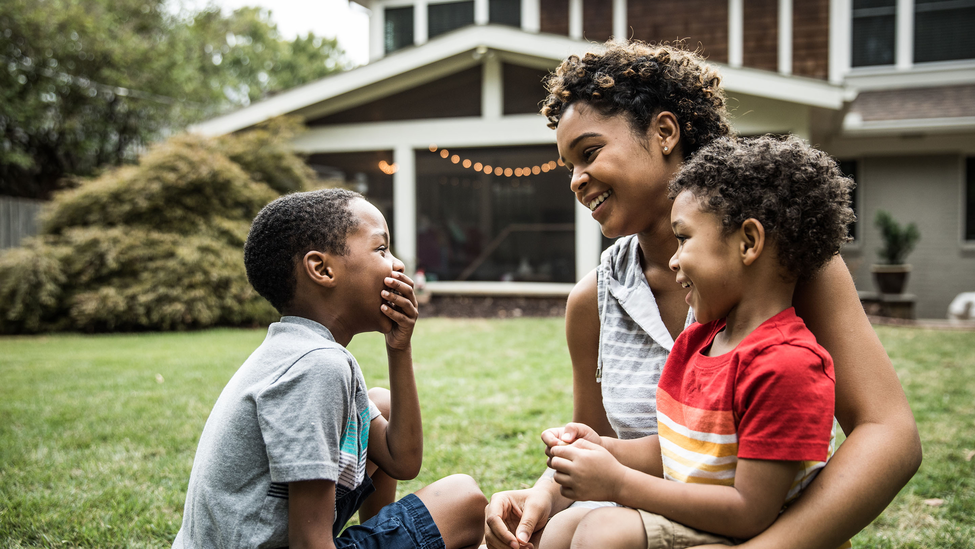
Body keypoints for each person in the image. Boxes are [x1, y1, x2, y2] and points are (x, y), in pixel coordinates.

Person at [484, 41, 921, 549]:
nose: (577, 180)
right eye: (568, 168)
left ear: (665, 132)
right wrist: (539, 497)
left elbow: (889, 435)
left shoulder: (788, 265)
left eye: (589, 152)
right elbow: (604, 455)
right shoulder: (593, 301)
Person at [537, 135, 855, 549]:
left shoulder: (790, 367)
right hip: (698, 515)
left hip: (751, 530)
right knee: (561, 529)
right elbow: (680, 447)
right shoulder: (699, 343)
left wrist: (619, 483)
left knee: (602, 533)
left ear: (749, 242)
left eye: (684, 239)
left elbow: (749, 510)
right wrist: (607, 449)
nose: (672, 259)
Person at [173, 189, 486, 549]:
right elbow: (309, 542)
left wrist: (400, 348)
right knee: (464, 500)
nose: (397, 264)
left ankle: (380, 531)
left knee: (380, 403)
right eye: (381, 249)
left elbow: (403, 460)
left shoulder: (300, 348)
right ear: (322, 269)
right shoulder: (317, 366)